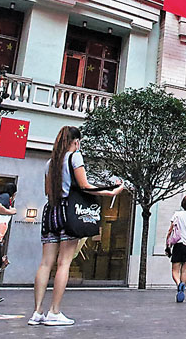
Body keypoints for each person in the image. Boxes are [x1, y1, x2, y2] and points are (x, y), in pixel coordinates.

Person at [30, 126, 123, 326]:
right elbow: (84, 186)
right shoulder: (75, 157)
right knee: (64, 262)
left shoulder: (50, 163)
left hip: (51, 211)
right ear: (76, 141)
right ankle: (54, 311)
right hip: (68, 212)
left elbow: (47, 191)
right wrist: (110, 192)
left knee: (45, 263)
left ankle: (37, 311)